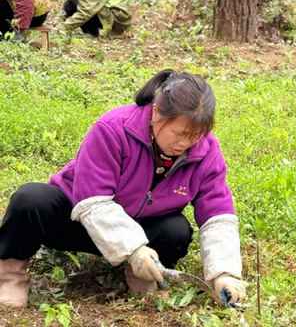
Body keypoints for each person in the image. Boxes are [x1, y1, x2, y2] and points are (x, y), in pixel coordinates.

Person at [0, 70, 246, 308]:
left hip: (141, 228)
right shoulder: (112, 128)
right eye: (180, 133)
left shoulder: (207, 151)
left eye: (195, 136)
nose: (185, 143)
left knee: (176, 231)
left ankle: (143, 273)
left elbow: (218, 214)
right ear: (156, 112)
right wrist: (133, 249)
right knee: (30, 200)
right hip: (79, 219)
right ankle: (10, 276)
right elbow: (93, 202)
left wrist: (225, 273)